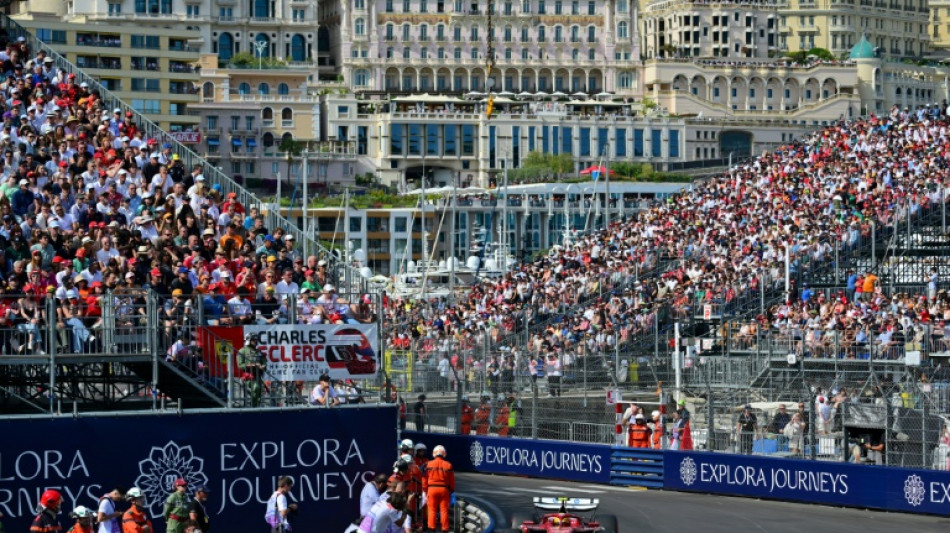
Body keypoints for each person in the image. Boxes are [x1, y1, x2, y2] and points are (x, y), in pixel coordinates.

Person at [423, 445, 455, 533]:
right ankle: (445, 529)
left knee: (432, 509)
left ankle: (431, 529)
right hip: (444, 490)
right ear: (444, 453)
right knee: (444, 510)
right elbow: (452, 480)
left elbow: (424, 478)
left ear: (434, 453)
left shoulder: (428, 464)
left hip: (432, 489)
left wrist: (425, 489)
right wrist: (451, 490)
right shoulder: (448, 465)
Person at [238, 334, 266, 407]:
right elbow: (240, 365)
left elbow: (264, 362)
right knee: (256, 387)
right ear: (248, 340)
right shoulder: (242, 351)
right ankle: (253, 407)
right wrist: (252, 365)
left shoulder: (259, 351)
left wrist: (263, 366)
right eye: (254, 340)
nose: (256, 341)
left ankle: (256, 407)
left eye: (256, 340)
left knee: (259, 394)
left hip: (258, 376)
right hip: (248, 376)